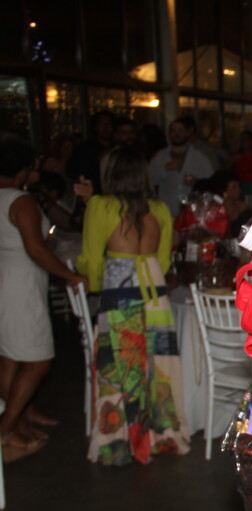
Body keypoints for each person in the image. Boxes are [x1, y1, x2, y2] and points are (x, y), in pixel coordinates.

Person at [78, 147, 190, 465]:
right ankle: (161, 435)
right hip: (154, 288)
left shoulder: (100, 206)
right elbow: (164, 261)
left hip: (119, 288)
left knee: (119, 366)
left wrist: (94, 283)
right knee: (157, 364)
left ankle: (118, 442)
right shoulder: (160, 209)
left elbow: (90, 259)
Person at [0, 136, 88, 462]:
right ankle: (5, 429)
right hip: (21, 285)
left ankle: (18, 427)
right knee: (38, 362)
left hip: (5, 279)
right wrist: (71, 276)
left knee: (10, 360)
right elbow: (36, 250)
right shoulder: (20, 200)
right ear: (22, 169)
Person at [147, 117, 214, 218]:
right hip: (167, 211)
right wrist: (165, 168)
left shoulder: (199, 157)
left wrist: (197, 182)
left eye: (180, 131)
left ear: (187, 133)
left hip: (192, 212)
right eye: (173, 131)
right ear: (169, 134)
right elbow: (148, 180)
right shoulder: (160, 157)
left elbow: (211, 183)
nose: (177, 134)